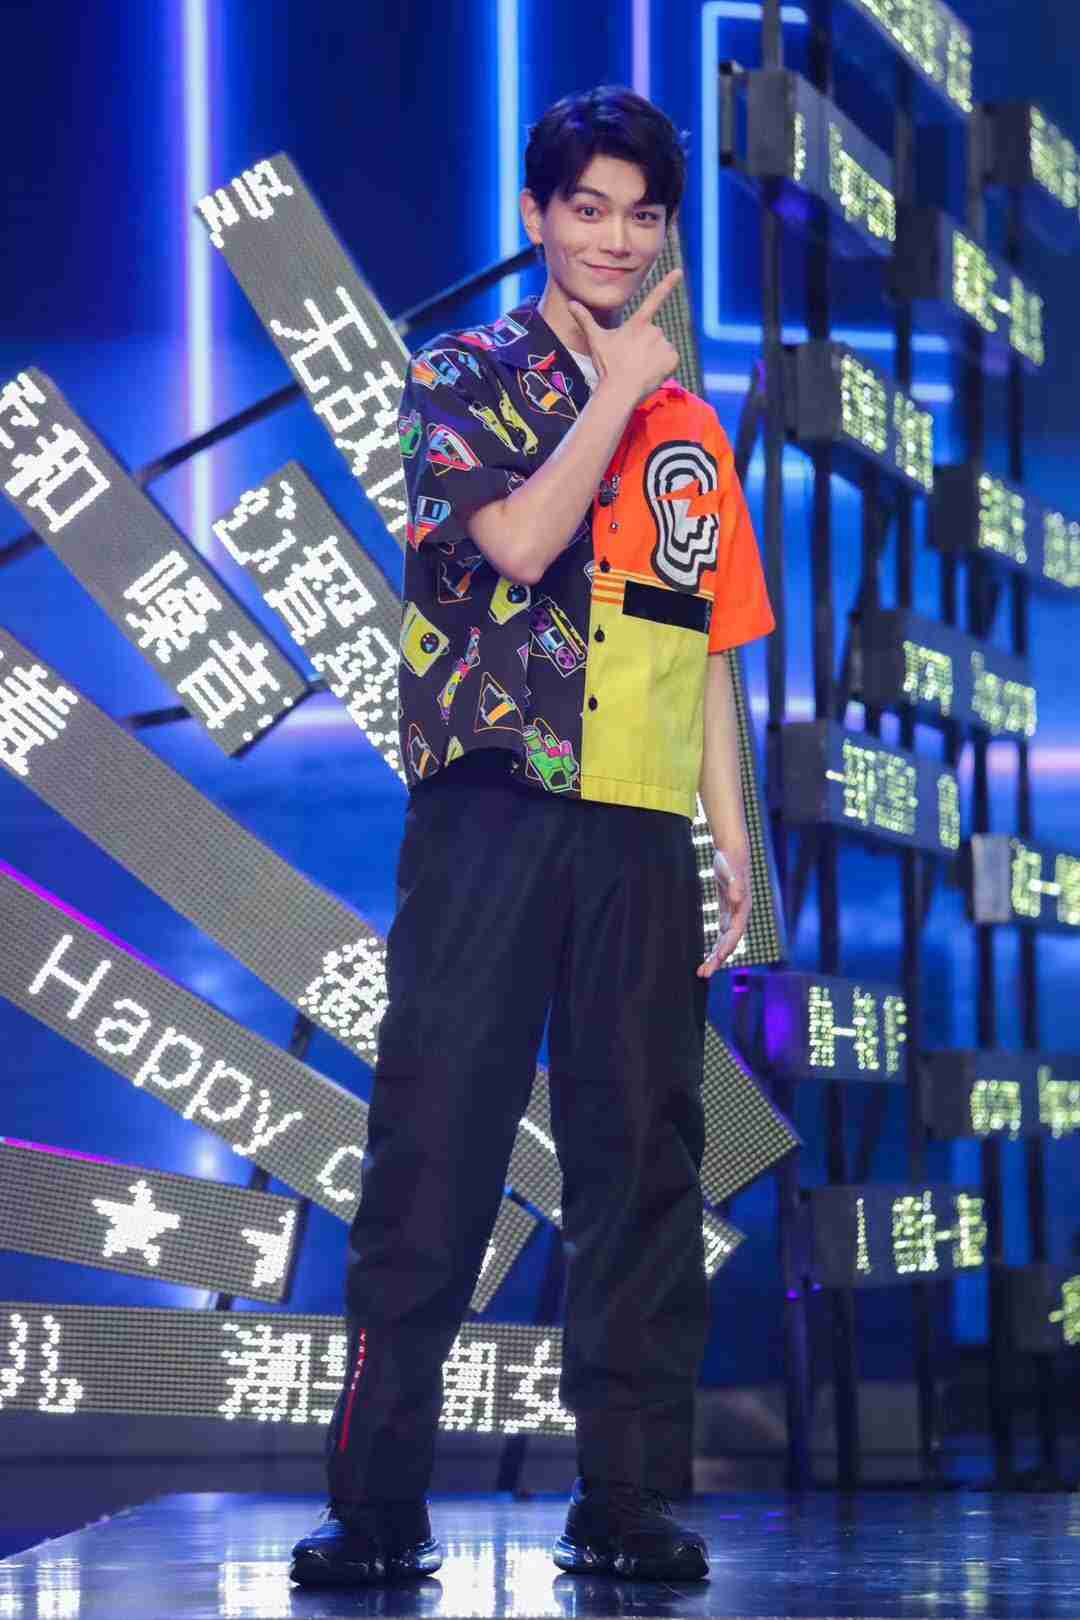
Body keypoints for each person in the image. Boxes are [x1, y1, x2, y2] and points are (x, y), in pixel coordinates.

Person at [290, 82, 774, 1590]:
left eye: (644, 216)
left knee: (643, 1167)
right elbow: (513, 541)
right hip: (492, 812)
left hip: (637, 827)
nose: (616, 239)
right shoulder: (466, 375)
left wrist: (734, 837)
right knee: (436, 1146)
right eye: (588, 209)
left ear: (665, 233)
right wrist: (618, 392)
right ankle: (378, 1508)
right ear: (537, 217)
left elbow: (707, 647)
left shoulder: (691, 425)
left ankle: (624, 1500)